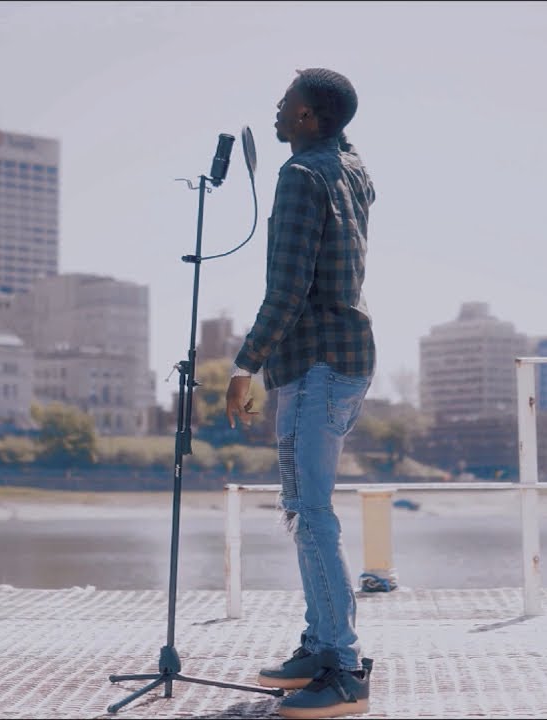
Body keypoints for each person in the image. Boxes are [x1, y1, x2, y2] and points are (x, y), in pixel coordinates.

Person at [225, 67, 376, 719]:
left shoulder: (299, 176)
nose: (277, 110)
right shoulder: (350, 167)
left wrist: (244, 365)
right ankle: (319, 647)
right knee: (303, 509)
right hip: (345, 359)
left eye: (287, 103)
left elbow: (287, 289)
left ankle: (344, 670)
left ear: (309, 117)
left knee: (310, 513)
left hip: (314, 362)